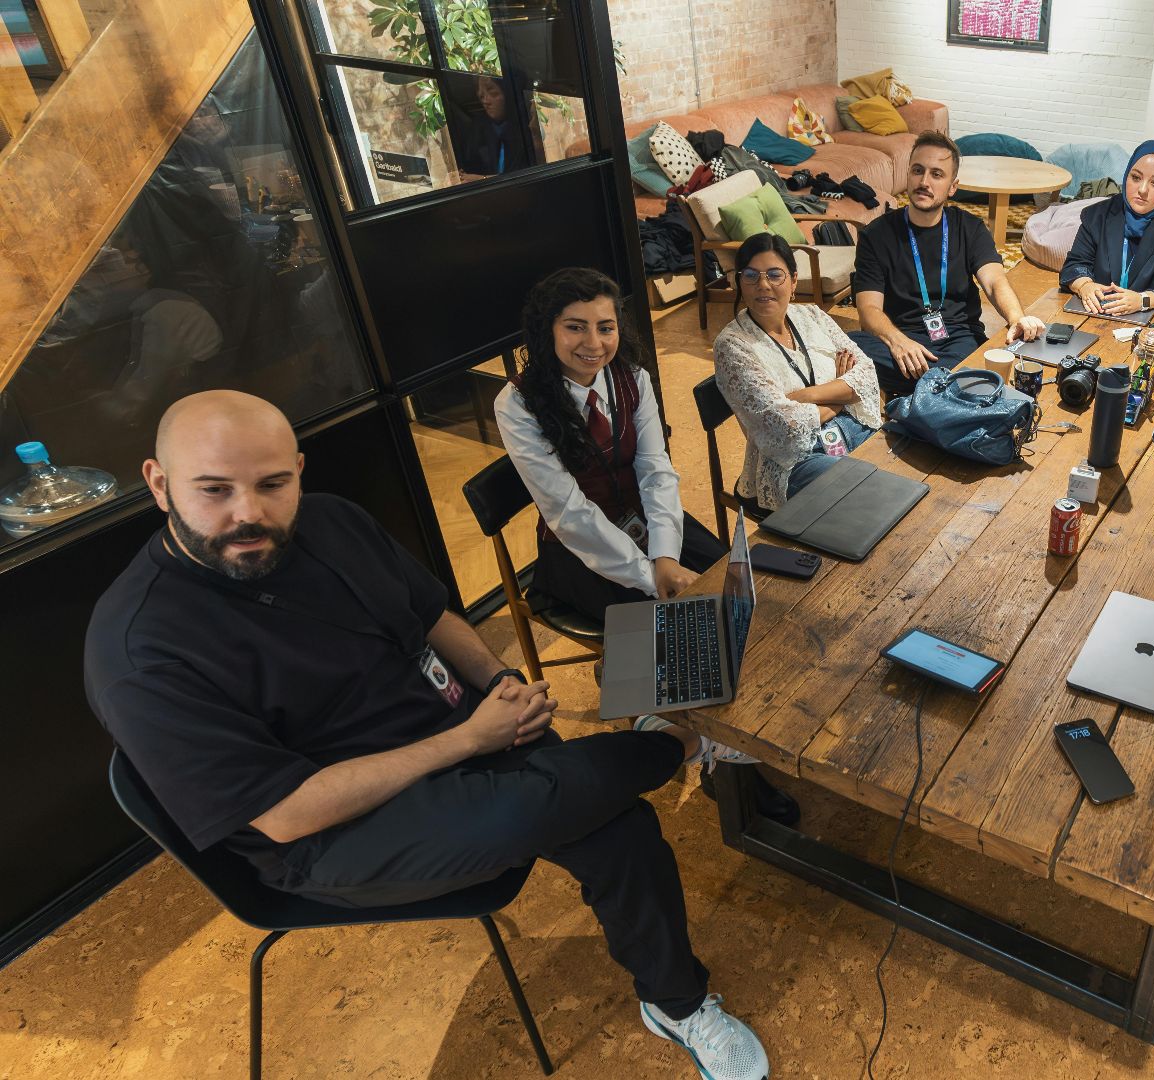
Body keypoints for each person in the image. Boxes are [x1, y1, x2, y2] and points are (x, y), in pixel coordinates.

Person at [83, 391, 771, 1080]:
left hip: (454, 727)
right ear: (159, 484)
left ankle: (675, 1003)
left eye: (272, 484)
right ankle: (678, 743)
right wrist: (471, 739)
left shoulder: (331, 520)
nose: (249, 513)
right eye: (214, 490)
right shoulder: (141, 650)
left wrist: (499, 683)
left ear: (298, 470)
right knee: (538, 807)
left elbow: (431, 615)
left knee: (618, 827)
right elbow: (286, 815)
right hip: (330, 829)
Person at [495, 266, 798, 825]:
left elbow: (656, 471)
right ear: (546, 330)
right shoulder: (517, 403)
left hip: (653, 527)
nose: (593, 342)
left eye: (605, 327)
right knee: (685, 637)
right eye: (575, 327)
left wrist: (664, 557)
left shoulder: (631, 377)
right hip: (582, 553)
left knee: (740, 597)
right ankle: (725, 768)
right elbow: (568, 512)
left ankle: (733, 735)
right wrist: (647, 574)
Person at [849, 131, 1049, 396]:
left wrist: (1016, 318)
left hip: (958, 337)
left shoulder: (970, 228)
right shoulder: (876, 234)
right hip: (903, 341)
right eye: (917, 171)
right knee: (845, 347)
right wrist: (898, 342)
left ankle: (938, 387)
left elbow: (994, 281)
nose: (924, 182)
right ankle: (957, 384)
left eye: (936, 174)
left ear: (953, 187)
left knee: (974, 357)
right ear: (907, 175)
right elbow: (868, 309)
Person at [713, 232, 885, 511]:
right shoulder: (732, 345)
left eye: (774, 275)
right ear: (739, 283)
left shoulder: (812, 315)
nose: (763, 285)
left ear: (793, 281)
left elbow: (866, 375)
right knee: (869, 494)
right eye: (751, 276)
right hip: (792, 463)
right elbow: (784, 427)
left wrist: (803, 396)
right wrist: (841, 394)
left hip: (851, 431)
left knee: (902, 461)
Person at [1059, 139, 1154, 315]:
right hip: (1099, 313)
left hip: (1153, 319)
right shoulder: (1098, 215)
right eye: (1136, 178)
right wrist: (1085, 286)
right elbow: (1074, 265)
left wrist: (1142, 300)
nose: (1142, 190)